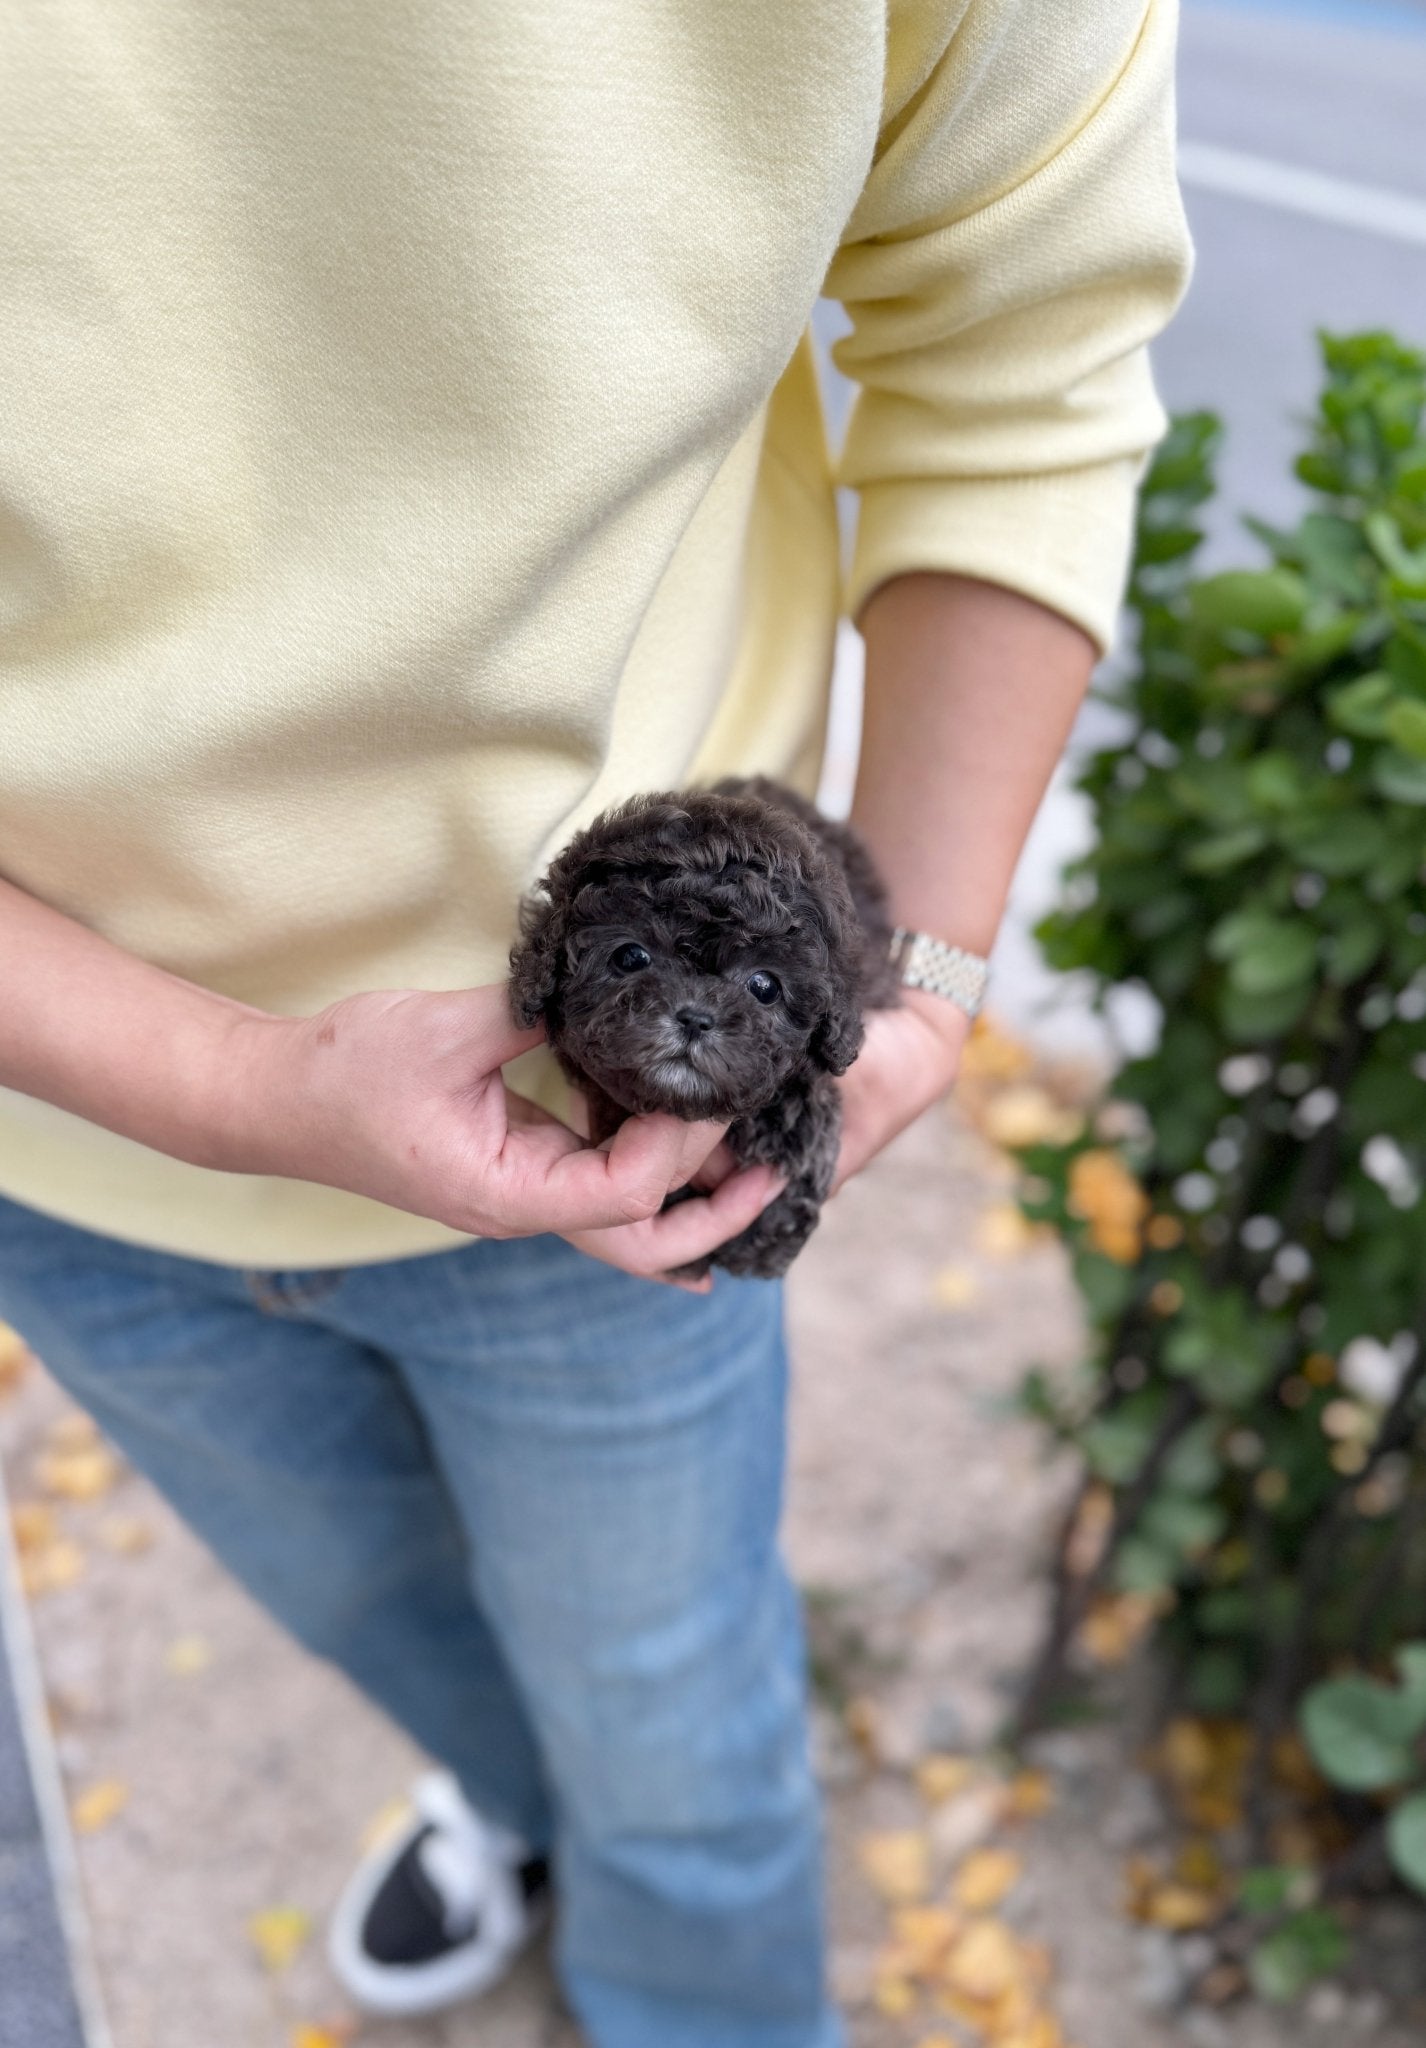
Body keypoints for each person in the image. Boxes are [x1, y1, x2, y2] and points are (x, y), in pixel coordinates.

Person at [0, 2, 1192, 2041]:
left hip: (617, 1188)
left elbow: (1019, 351)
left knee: (677, 1728)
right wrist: (228, 1080)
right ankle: (517, 1796)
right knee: (363, 1608)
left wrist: (922, 990)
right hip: (61, 1140)